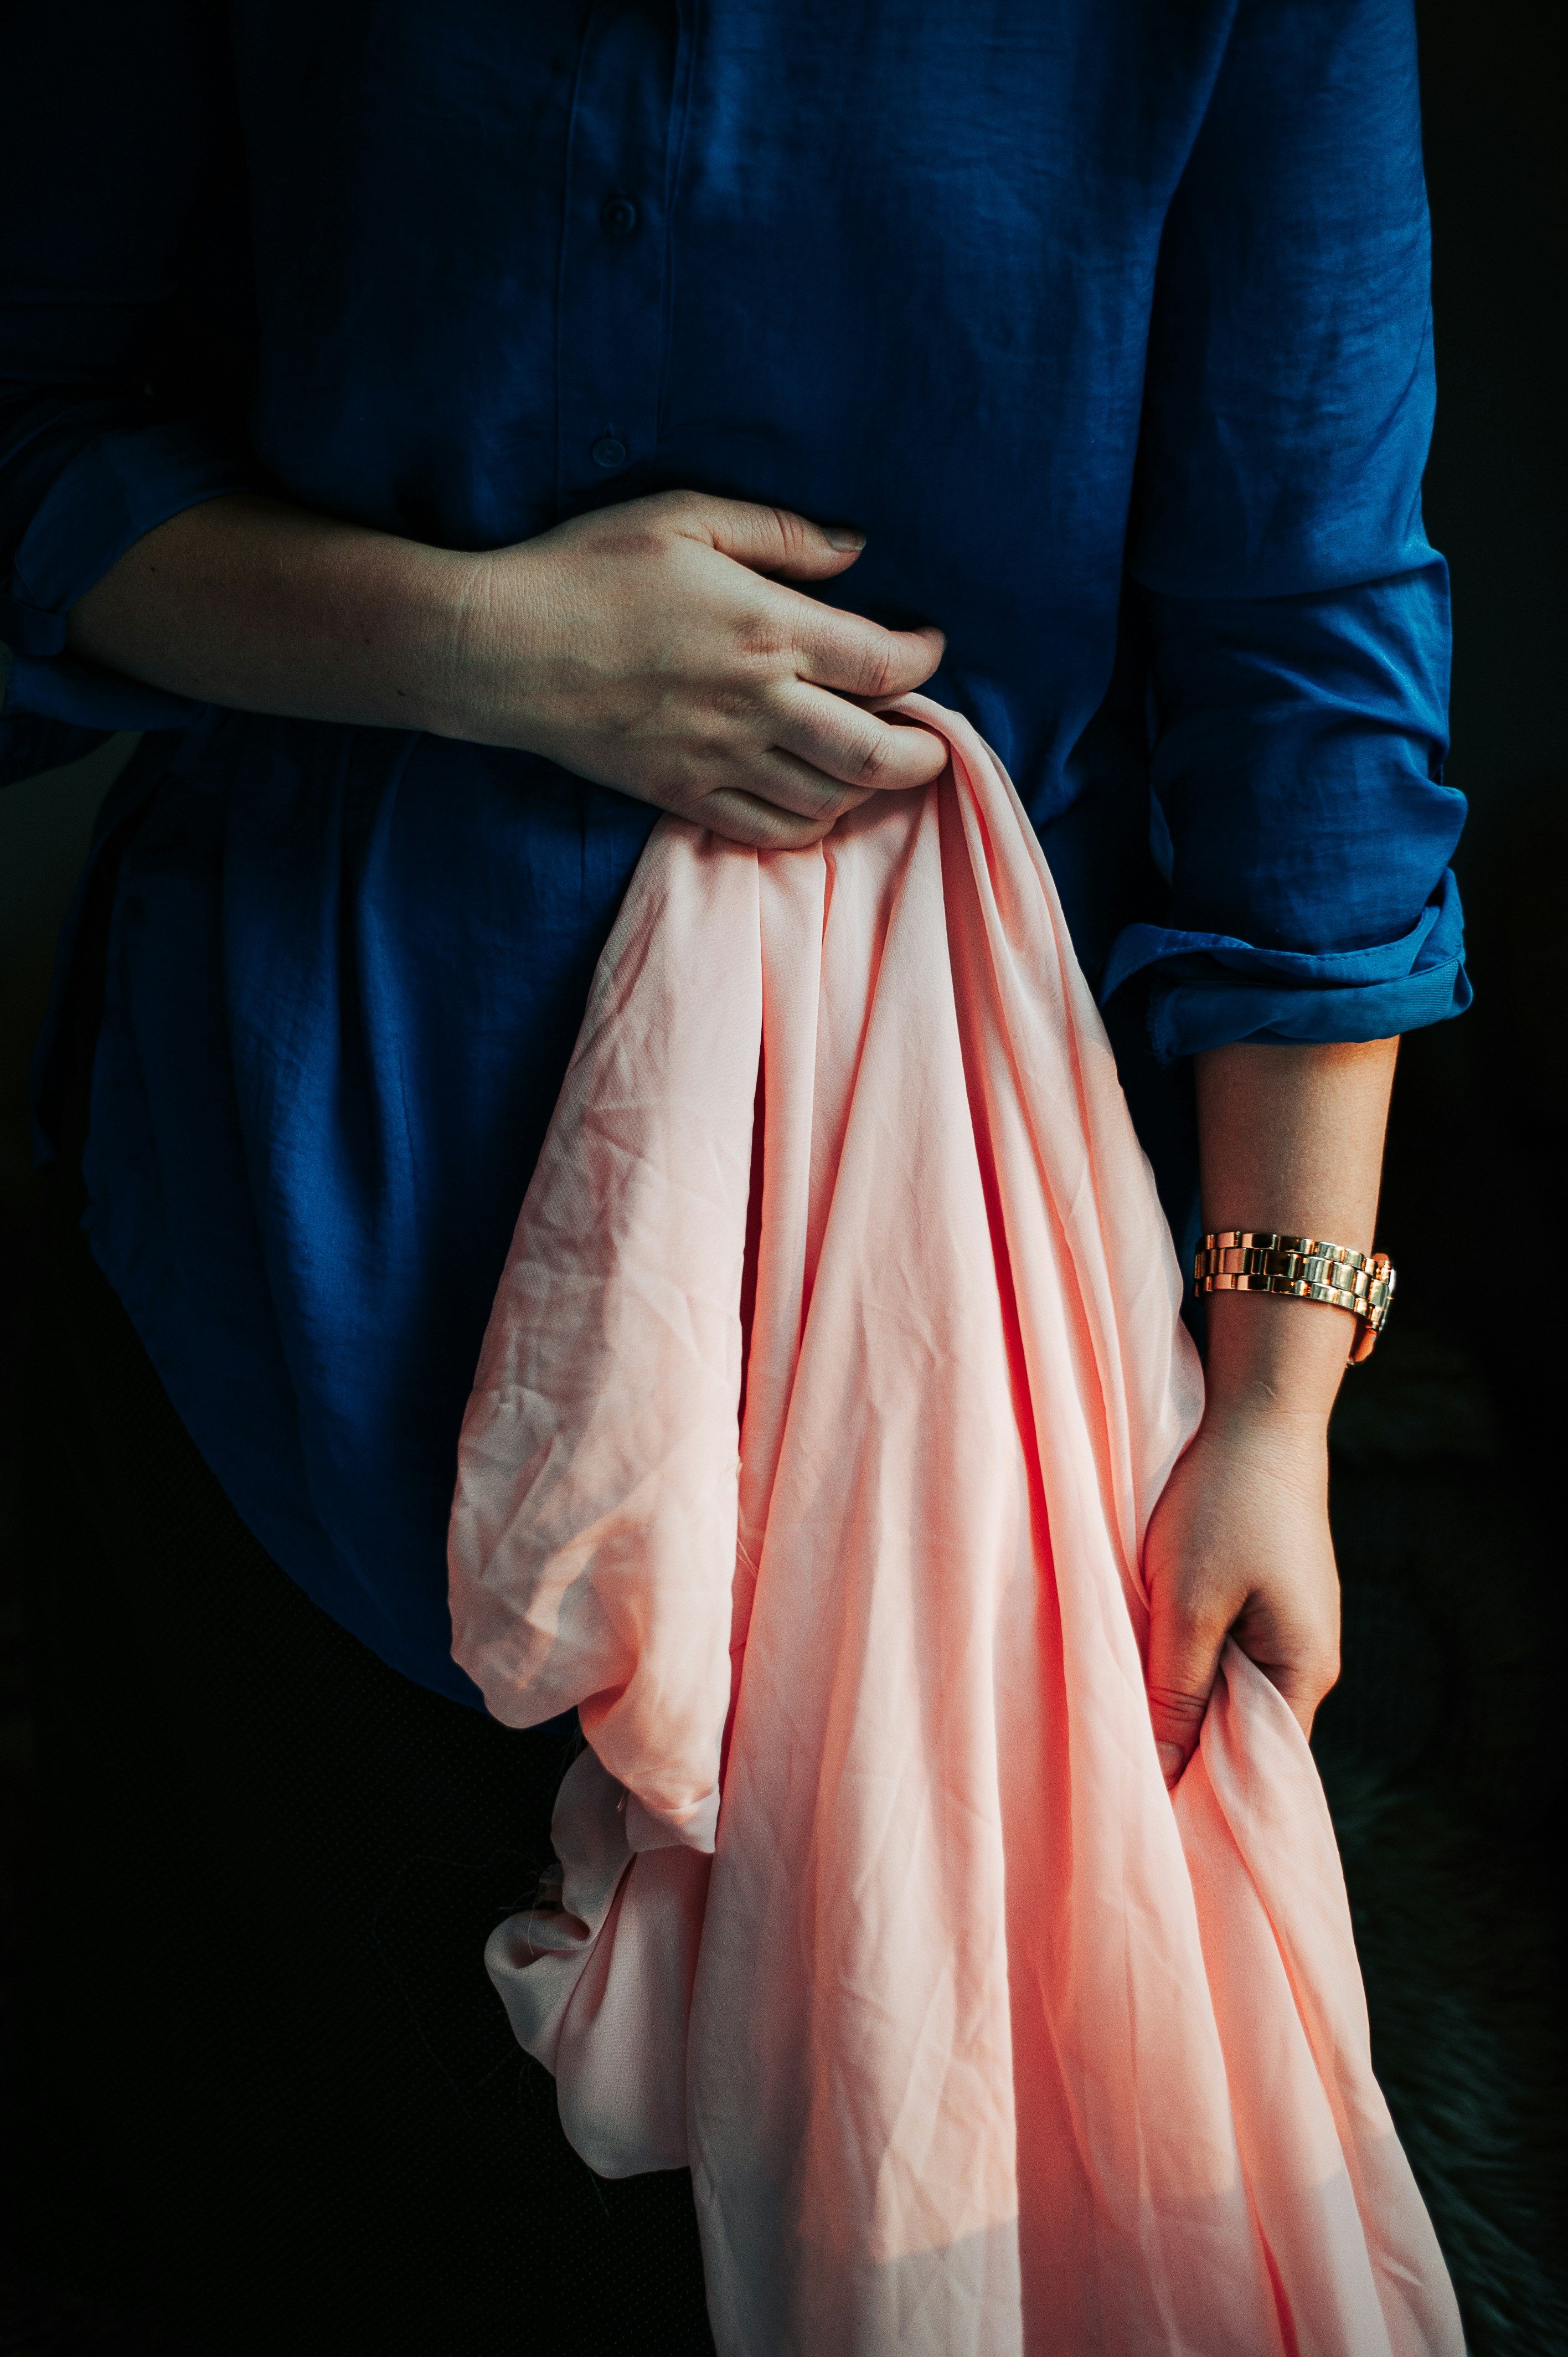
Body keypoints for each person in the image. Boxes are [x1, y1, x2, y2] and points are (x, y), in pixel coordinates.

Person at [0, 2, 1465, 2350]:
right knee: (264, 2198)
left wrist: (1279, 1397)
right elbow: (29, 443)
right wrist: (501, 647)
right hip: (290, 1240)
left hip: (939, 1355)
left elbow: (1308, 637)